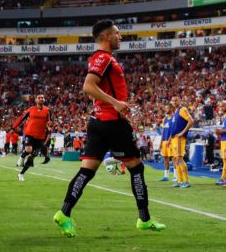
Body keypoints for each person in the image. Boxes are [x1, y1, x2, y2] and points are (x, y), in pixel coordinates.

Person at [53, 20, 165, 237]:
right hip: (112, 122)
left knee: (86, 171)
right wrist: (114, 103)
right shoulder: (104, 58)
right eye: (117, 33)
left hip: (98, 122)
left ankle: (64, 213)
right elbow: (88, 86)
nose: (120, 36)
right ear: (106, 37)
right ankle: (144, 219)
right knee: (136, 168)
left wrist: (115, 102)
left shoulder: (102, 58)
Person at [13, 94, 51, 182]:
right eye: (39, 98)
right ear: (36, 100)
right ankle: (22, 156)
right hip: (30, 133)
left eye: (42, 98)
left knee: (32, 157)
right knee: (29, 150)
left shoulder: (48, 110)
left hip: (40, 136)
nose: (41, 99)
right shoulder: (31, 109)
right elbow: (21, 118)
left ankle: (21, 173)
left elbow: (49, 122)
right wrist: (14, 127)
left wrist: (49, 128)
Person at [169, 95, 193, 189]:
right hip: (174, 139)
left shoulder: (183, 109)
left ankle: (186, 181)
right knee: (176, 160)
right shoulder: (176, 112)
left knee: (179, 158)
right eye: (173, 100)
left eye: (176, 100)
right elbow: (174, 127)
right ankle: (180, 181)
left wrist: (182, 132)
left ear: (179, 100)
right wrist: (170, 138)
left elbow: (191, 121)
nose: (174, 102)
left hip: (179, 138)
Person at [157, 104, 173, 182]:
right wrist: (160, 142)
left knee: (174, 158)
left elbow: (174, 131)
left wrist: (170, 140)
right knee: (165, 158)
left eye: (167, 108)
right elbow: (163, 131)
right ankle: (166, 176)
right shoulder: (165, 119)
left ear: (171, 108)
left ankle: (175, 176)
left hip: (171, 141)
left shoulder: (173, 118)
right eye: (165, 108)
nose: (166, 109)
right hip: (164, 141)